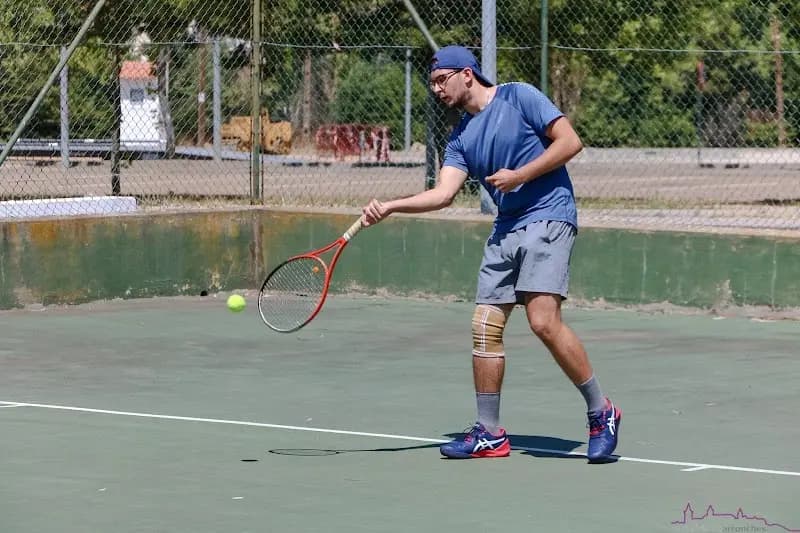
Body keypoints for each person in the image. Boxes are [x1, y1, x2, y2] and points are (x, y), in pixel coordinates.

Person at [361, 45, 621, 463]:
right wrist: (391, 206)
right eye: (431, 83)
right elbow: (443, 194)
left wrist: (521, 175)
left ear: (467, 74)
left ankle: (601, 411)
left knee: (543, 322)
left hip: (549, 214)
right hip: (506, 227)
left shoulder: (519, 96)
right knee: (484, 327)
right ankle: (490, 433)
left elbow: (571, 141)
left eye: (441, 80)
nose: (436, 89)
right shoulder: (460, 138)